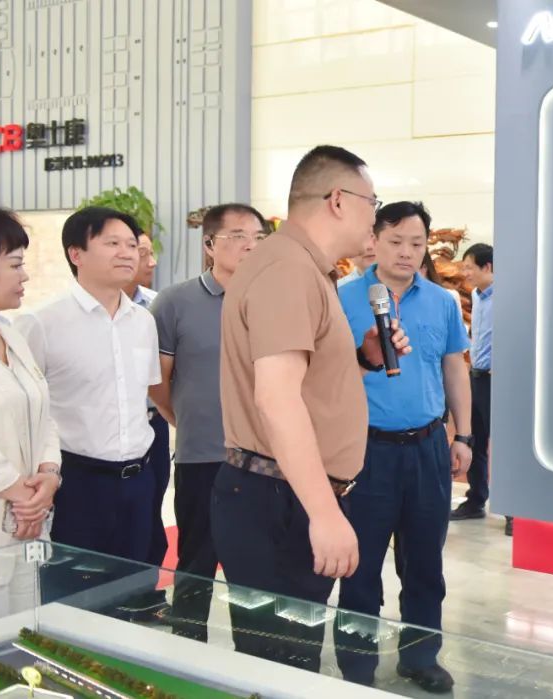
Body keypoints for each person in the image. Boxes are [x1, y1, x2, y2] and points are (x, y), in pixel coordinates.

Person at [214, 145, 408, 671]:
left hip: (285, 492)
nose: (375, 217)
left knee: (286, 660)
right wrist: (323, 514)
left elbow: (304, 383)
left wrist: (364, 359)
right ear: (338, 200)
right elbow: (277, 399)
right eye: (372, 203)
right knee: (279, 666)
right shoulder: (287, 270)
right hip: (280, 500)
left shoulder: (303, 267)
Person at [336, 201, 472, 693]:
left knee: (425, 563)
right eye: (395, 242)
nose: (406, 252)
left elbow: (454, 367)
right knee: (361, 566)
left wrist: (464, 435)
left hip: (428, 447)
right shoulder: (342, 297)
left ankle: (420, 657)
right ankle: (356, 666)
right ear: (373, 241)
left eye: (416, 243)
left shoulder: (441, 301)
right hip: (365, 451)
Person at [149, 203, 267, 641]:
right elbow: (157, 382)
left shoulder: (273, 299)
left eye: (258, 237)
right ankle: (188, 653)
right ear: (209, 245)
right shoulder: (175, 302)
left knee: (254, 572)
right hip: (202, 457)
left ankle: (253, 658)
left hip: (264, 460)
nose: (250, 245)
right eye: (238, 236)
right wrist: (184, 418)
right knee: (196, 562)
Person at [15, 207, 161, 562]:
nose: (127, 253)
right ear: (76, 254)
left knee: (138, 581)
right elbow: (25, 409)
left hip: (140, 478)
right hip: (76, 482)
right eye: (112, 243)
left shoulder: (143, 320)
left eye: (131, 245)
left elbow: (147, 395)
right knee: (74, 585)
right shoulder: (40, 323)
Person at [0, 207, 62, 619]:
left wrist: (49, 475)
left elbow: (42, 410)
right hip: (0, 517)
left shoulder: (10, 331)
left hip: (26, 524)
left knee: (23, 633)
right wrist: (22, 495)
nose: (26, 276)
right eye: (15, 265)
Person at [123, 229, 171, 596]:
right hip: (108, 435)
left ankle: (147, 594)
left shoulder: (157, 308)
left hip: (154, 424)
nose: (151, 262)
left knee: (151, 513)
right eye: (143, 253)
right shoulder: (55, 320)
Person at [450, 243, 495, 522]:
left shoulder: (506, 296)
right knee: (474, 440)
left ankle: (513, 512)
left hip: (497, 381)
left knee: (502, 444)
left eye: (469, 267)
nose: (465, 273)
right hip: (475, 377)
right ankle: (476, 500)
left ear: (486, 267)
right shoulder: (477, 296)